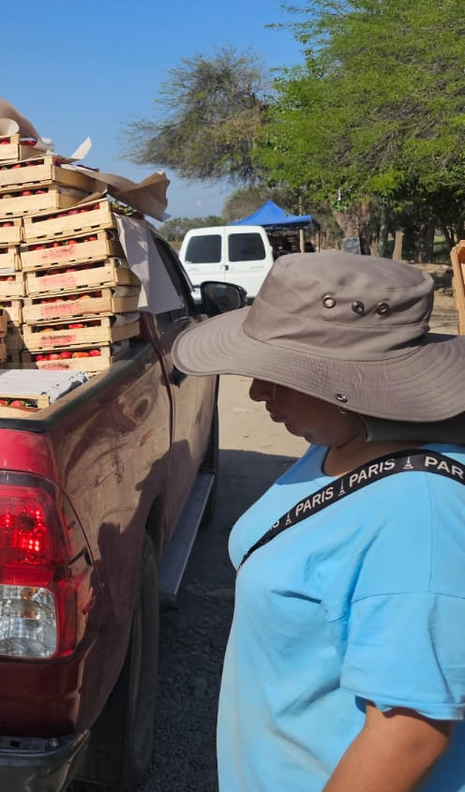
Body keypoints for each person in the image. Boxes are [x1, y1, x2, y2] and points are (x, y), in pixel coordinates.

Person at [173, 252, 465, 791]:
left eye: (283, 376)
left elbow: (410, 735)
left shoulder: (417, 513)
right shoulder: (339, 441)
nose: (259, 392)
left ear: (354, 384)